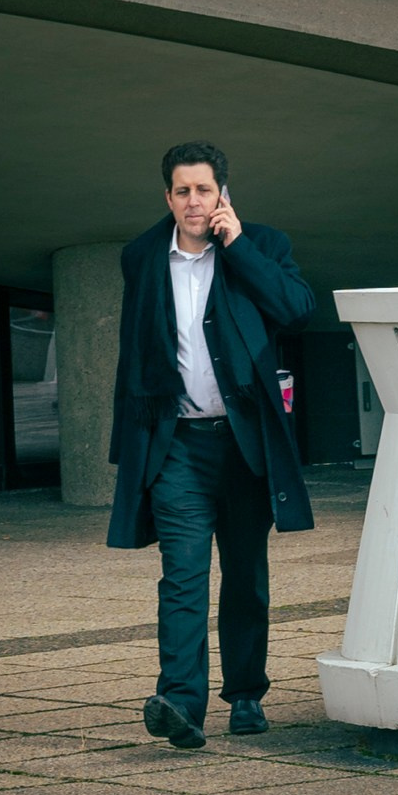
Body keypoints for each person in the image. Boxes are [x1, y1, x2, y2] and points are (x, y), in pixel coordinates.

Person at [106, 140, 316, 748]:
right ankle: (181, 705)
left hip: (244, 443)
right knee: (182, 576)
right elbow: (132, 355)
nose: (193, 202)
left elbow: (295, 310)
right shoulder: (142, 256)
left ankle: (246, 693)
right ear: (166, 197)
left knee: (246, 573)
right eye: (181, 191)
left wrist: (237, 244)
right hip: (177, 442)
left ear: (222, 192)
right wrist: (132, 447)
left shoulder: (263, 245)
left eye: (203, 190)